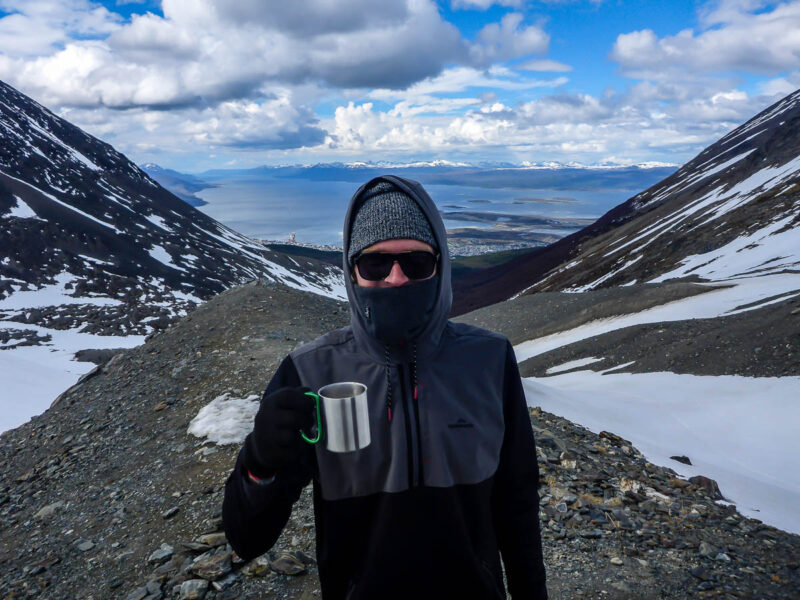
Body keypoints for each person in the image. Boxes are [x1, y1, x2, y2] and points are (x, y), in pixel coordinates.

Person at [223, 175, 548, 599]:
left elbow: (516, 500)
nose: (396, 279)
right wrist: (259, 462)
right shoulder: (310, 372)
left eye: (416, 262)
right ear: (352, 272)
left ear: (440, 265)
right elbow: (247, 540)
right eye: (375, 263)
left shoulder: (488, 359)